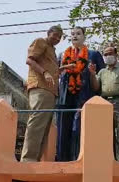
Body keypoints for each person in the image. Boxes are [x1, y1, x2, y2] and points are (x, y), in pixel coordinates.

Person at [56, 26, 105, 161]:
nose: (75, 36)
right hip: (65, 96)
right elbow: (55, 73)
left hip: (84, 95)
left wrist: (91, 74)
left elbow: (101, 77)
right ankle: (62, 159)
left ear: (84, 36)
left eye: (78, 34)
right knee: (63, 129)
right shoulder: (62, 55)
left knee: (79, 128)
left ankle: (80, 158)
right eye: (72, 34)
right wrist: (65, 67)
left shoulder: (93, 54)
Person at [21, 25, 64, 162]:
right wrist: (44, 73)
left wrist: (63, 68)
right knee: (37, 122)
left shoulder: (52, 50)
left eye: (59, 37)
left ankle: (36, 159)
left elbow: (51, 69)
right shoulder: (40, 42)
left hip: (51, 91)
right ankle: (28, 159)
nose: (56, 38)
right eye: (55, 35)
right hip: (40, 87)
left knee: (45, 127)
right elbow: (29, 60)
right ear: (49, 33)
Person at [90, 46, 119, 164]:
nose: (107, 56)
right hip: (104, 103)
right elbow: (96, 87)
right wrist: (93, 74)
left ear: (116, 55)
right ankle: (108, 162)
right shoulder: (102, 71)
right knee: (105, 135)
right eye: (105, 54)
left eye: (110, 54)